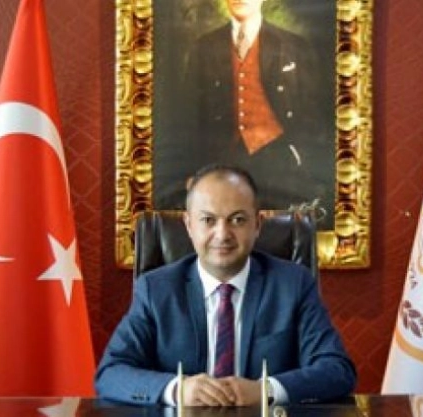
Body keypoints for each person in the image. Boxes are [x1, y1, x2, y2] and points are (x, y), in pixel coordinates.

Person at [95, 164, 356, 406]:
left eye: (238, 219)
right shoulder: (156, 289)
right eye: (208, 220)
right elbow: (111, 373)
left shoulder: (293, 285)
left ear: (257, 225)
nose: (222, 234)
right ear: (189, 225)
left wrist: (265, 390)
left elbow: (337, 370)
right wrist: (177, 390)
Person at [154, 0, 335, 229]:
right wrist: (193, 173)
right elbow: (188, 119)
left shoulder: (293, 46)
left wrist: (305, 163)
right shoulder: (203, 46)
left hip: (279, 161)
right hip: (220, 162)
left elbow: (312, 117)